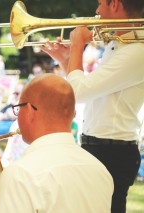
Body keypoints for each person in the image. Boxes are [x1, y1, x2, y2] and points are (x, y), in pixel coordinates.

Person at [39, 0, 144, 212]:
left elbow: (78, 93)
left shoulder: (137, 51)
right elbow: (94, 92)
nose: (96, 11)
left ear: (115, 4)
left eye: (100, 4)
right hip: (102, 148)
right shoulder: (119, 44)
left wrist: (78, 45)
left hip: (111, 152)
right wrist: (67, 59)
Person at [0, 74, 114, 212]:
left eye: (18, 108)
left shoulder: (20, 174)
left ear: (29, 111)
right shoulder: (100, 170)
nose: (17, 114)